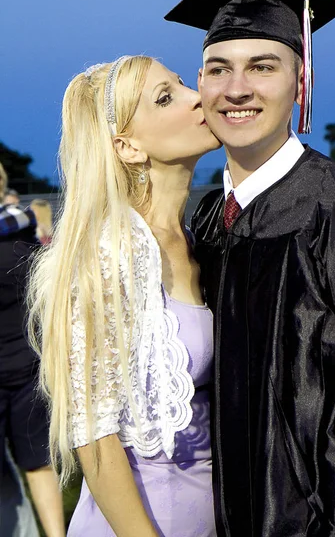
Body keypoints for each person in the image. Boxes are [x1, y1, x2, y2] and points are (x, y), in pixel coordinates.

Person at [165, 0, 335, 536]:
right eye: (217, 69)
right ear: (199, 85)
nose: (236, 89)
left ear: (301, 82)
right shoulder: (203, 225)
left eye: (262, 66)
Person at [27, 55, 221, 537]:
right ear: (127, 146)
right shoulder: (109, 254)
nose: (197, 96)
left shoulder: (199, 239)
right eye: (165, 97)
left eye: (181, 83)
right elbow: (94, 437)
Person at [0, 162, 65, 537]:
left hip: (26, 371)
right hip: (30, 367)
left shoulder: (27, 233)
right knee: (40, 466)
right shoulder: (26, 234)